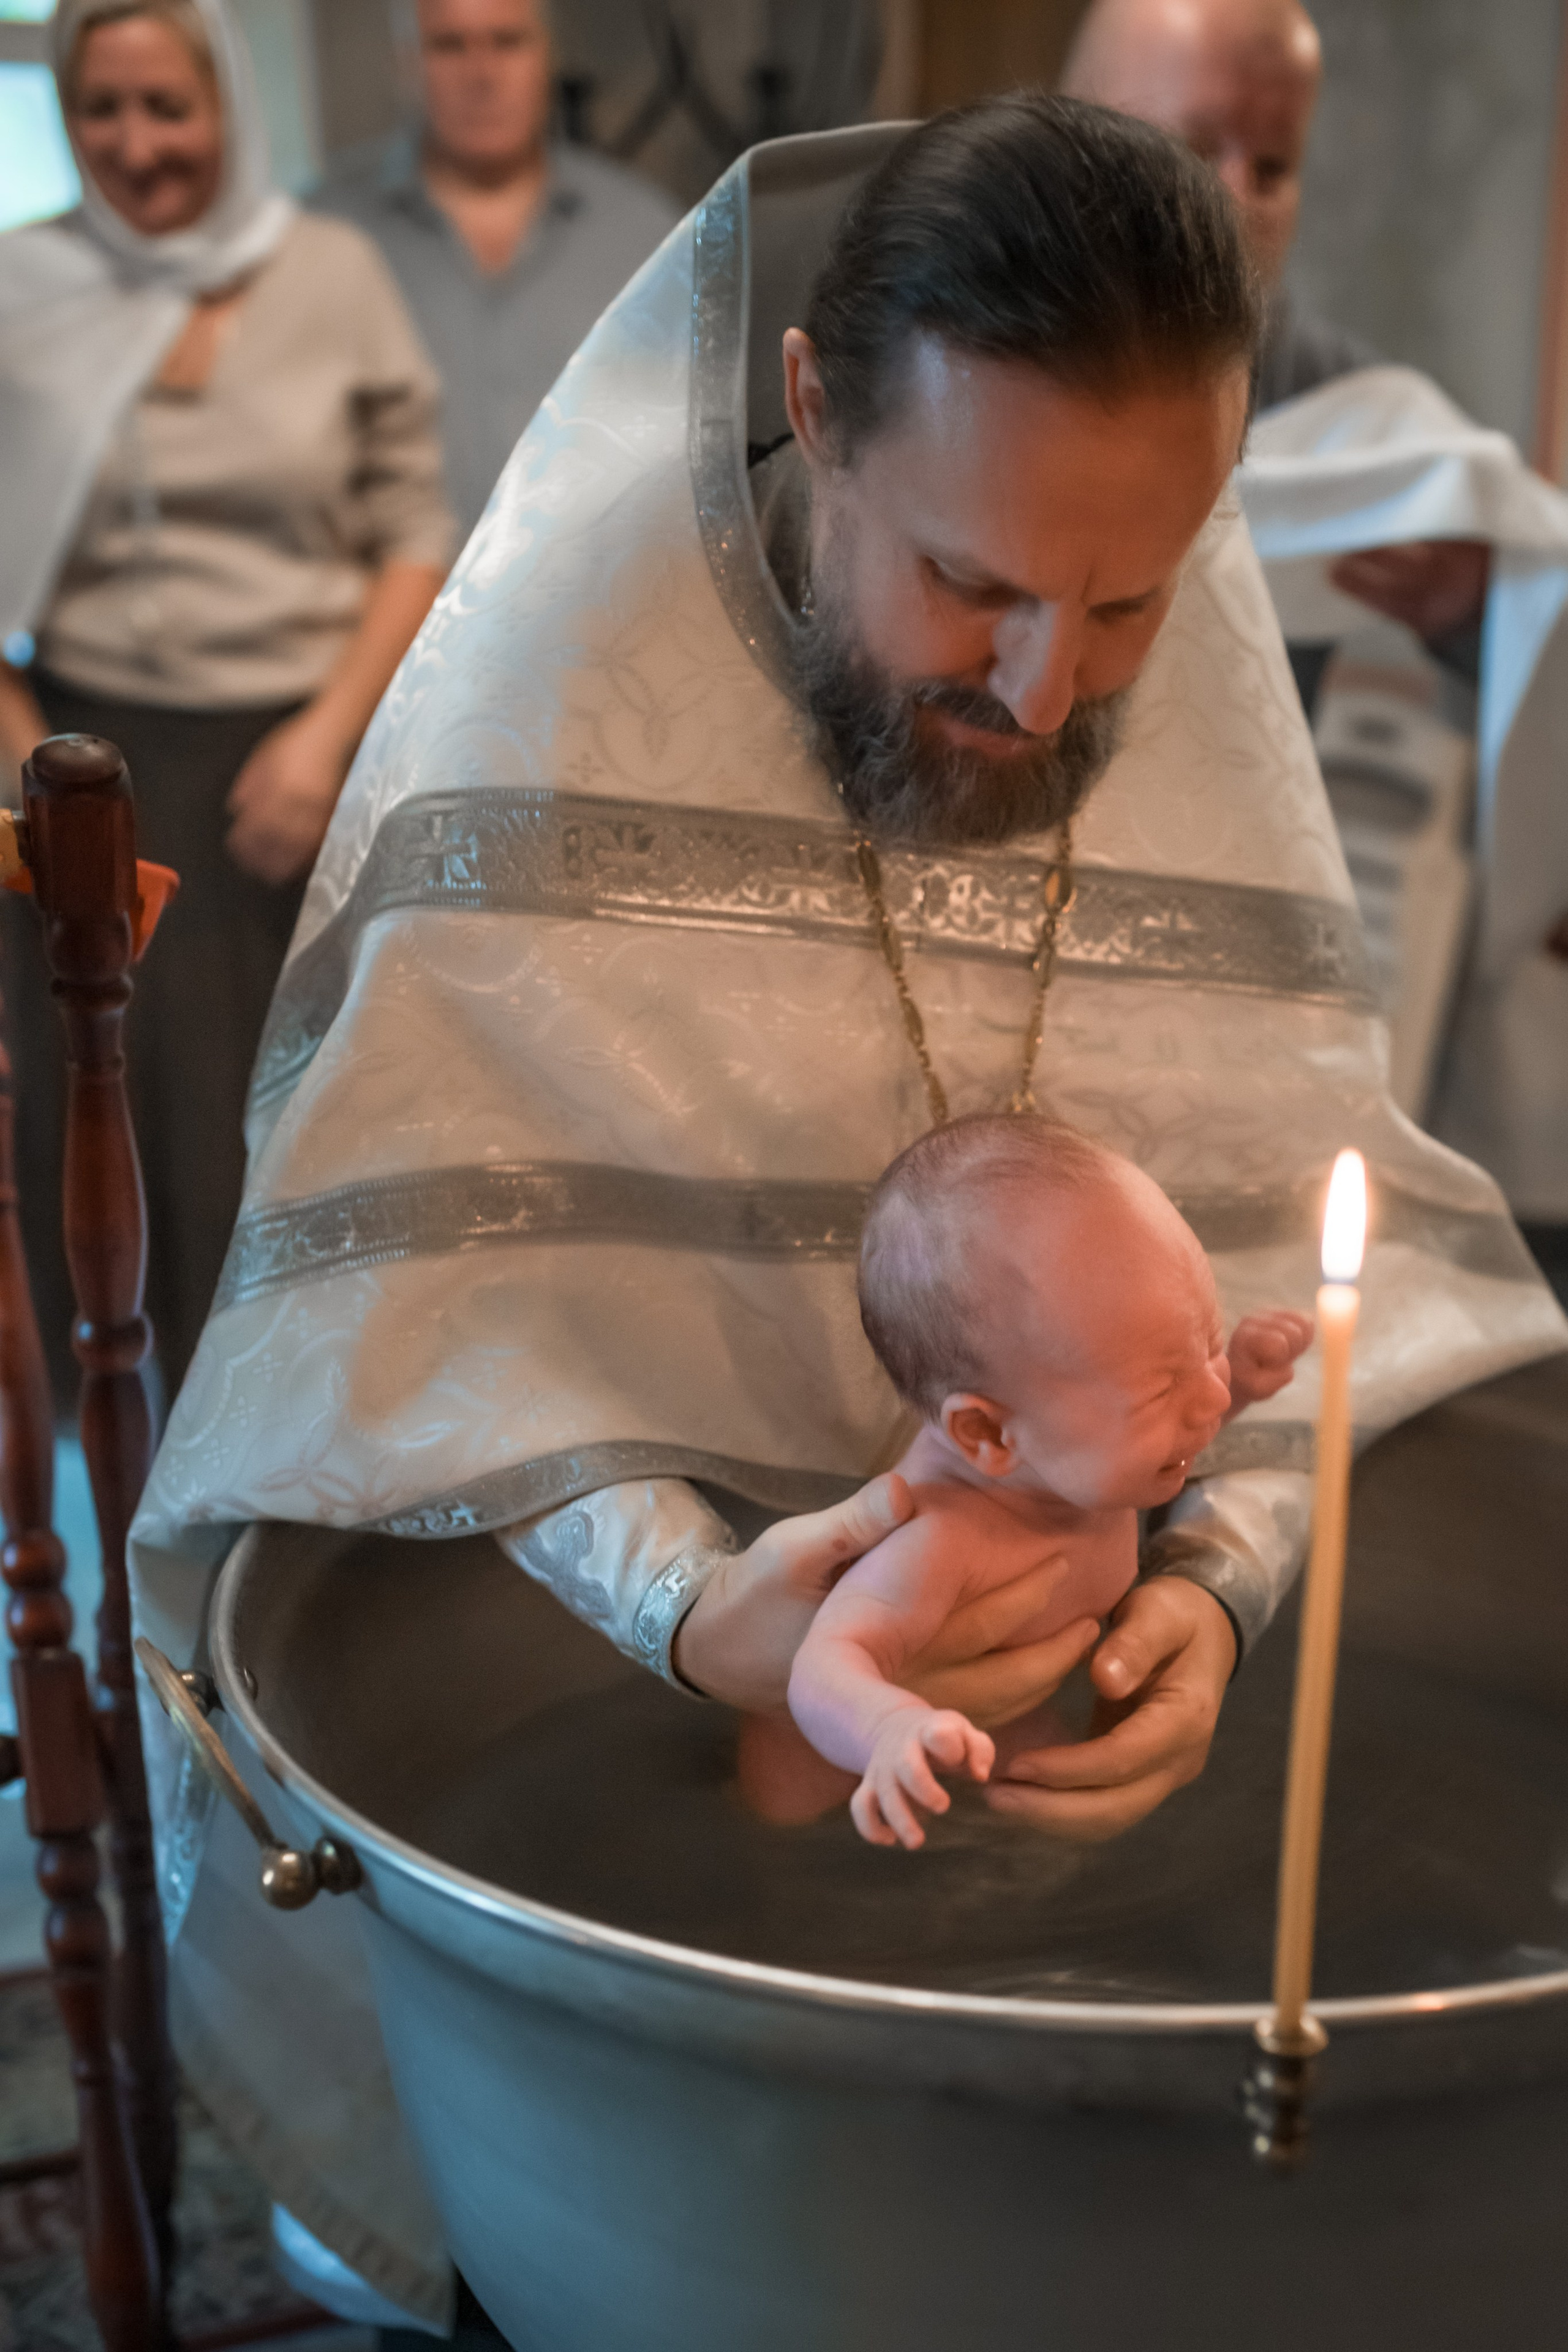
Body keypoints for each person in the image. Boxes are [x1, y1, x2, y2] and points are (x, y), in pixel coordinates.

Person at [130, 99, 1566, 2327]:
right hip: (678, 1721)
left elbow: (1283, 1238)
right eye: (968, 587)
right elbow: (437, 1308)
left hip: (1076, 1633)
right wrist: (703, 1617)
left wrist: (1218, 1568)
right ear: (811, 404)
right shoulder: (558, 691)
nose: (1046, 688)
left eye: (1126, 601)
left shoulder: (1134, 671)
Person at [0, 0, 454, 1404]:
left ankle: (289, 1454)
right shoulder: (17, 282)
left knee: (282, 1134)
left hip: (296, 762)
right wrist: (32, 770)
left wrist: (322, 741)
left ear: (230, 109)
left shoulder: (333, 272)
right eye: (102, 110)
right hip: (80, 764)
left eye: (169, 108)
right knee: (111, 1142)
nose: (136, 146)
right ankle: (119, 1475)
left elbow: (416, 532)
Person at [763, 1115, 1314, 1849]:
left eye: (1206, 1343)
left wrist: (1237, 1378)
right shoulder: (942, 1539)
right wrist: (890, 1727)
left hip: (1003, 1718)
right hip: (826, 1783)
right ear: (988, 1434)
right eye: (1160, 1390)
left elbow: (1180, 1415)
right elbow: (820, 1668)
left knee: (1060, 1825)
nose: (1209, 1403)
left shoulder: (1071, 1454)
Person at [1061, 0, 1490, 704]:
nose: (1236, 202)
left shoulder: (1344, 410)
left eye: (1271, 165)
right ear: (1068, 139)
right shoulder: (944, 353)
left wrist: (1476, 605)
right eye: (1194, 146)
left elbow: (1538, 618)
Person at [313, 0, 680, 543]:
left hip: (603, 608)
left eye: (507, 42)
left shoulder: (650, 237)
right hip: (385, 614)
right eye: (449, 46)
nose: (481, 75)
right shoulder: (323, 240)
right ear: (405, 64)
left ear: (547, 57)